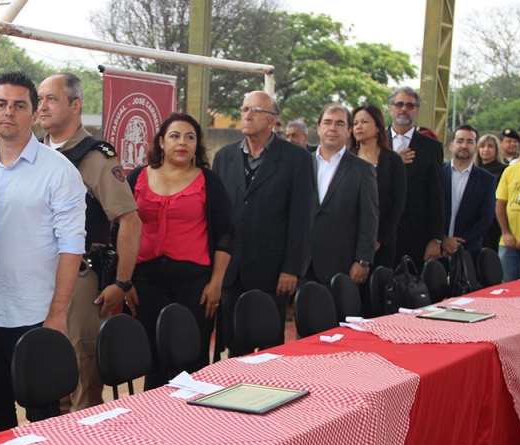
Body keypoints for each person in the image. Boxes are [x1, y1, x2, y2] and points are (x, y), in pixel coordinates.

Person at [0, 71, 86, 433]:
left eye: (20, 105)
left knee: (42, 422)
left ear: (34, 114)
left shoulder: (58, 172)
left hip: (33, 316)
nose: (9, 112)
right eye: (1, 104)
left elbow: (71, 246)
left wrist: (58, 315)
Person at [38, 72, 141, 413]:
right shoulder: (33, 154)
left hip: (81, 279)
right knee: (44, 377)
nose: (42, 106)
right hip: (37, 279)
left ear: (76, 105)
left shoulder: (94, 156)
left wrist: (122, 282)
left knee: (81, 377)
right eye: (39, 99)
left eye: (51, 99)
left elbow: (129, 220)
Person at [124, 113, 233, 389]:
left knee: (192, 360)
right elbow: (120, 232)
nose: (181, 142)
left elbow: (225, 235)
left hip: (194, 284)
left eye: (190, 137)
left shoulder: (209, 181)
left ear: (198, 145)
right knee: (155, 361)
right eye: (174, 136)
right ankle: (155, 425)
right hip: (146, 282)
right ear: (161, 141)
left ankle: (193, 425)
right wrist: (123, 281)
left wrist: (216, 283)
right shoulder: (136, 177)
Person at [213, 91, 314, 355]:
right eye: (244, 109)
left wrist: (292, 268)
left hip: (272, 270)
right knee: (234, 345)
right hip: (231, 270)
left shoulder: (297, 159)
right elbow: (217, 216)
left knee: (270, 347)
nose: (247, 115)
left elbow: (302, 218)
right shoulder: (224, 157)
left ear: (272, 120)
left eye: (255, 110)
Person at [306, 104, 378, 285]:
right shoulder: (301, 163)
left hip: (341, 264)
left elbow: (369, 218)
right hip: (302, 262)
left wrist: (363, 260)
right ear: (318, 128)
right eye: (327, 122)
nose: (332, 128)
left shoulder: (363, 170)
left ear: (349, 131)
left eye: (339, 124)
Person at [388, 87, 445, 269]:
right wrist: (395, 162)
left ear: (417, 111)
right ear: (391, 108)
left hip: (416, 235)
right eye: (399, 104)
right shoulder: (375, 142)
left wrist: (436, 238)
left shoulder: (431, 147)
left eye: (410, 105)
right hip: (381, 234)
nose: (404, 109)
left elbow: (437, 195)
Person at [350, 104, 407, 268]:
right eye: (355, 123)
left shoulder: (393, 161)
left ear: (377, 128)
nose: (359, 127)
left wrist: (380, 238)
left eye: (364, 122)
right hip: (349, 239)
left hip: (381, 240)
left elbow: (398, 202)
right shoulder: (347, 159)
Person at [442, 125, 496, 261]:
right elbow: (428, 209)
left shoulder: (487, 179)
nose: (464, 145)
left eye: (469, 142)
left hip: (469, 250)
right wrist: (443, 239)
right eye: (460, 141)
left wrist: (457, 243)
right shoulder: (438, 173)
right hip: (437, 247)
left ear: (476, 148)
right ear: (451, 145)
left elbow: (486, 218)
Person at [496, 131, 520, 281]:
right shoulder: (510, 170)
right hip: (508, 244)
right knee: (507, 290)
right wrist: (506, 233)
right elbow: (500, 203)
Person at [476, 133, 507, 251]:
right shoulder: (473, 169)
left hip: (495, 222)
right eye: (482, 146)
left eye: (490, 146)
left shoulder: (504, 170)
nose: (485, 150)